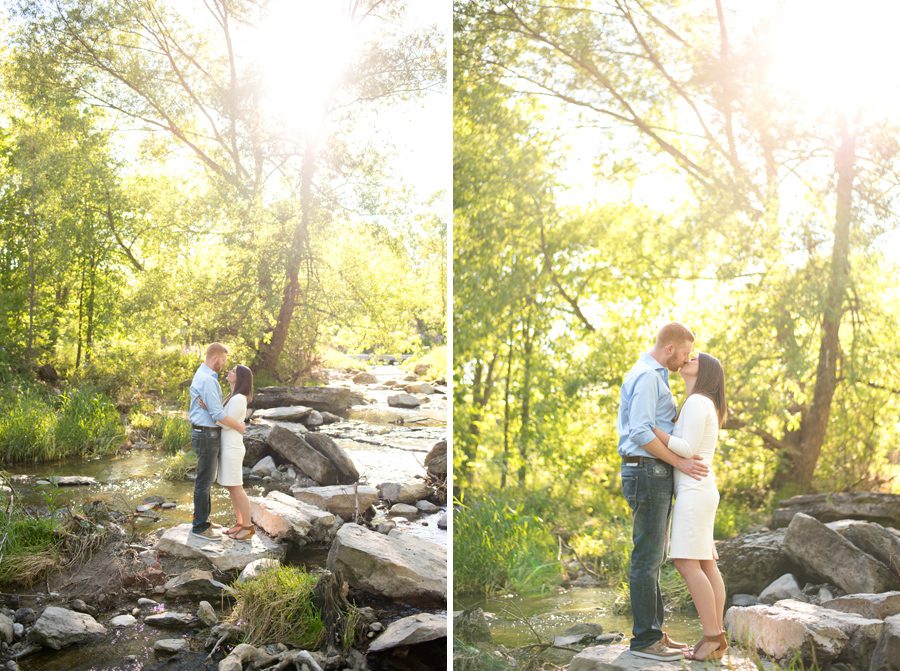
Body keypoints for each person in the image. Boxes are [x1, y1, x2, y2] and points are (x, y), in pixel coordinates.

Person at [616, 323, 708, 662]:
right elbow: (640, 431)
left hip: (651, 471)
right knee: (646, 557)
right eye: (684, 352)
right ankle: (644, 642)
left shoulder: (656, 377)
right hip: (646, 470)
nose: (686, 359)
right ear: (670, 348)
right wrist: (680, 464)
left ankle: (653, 632)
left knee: (652, 556)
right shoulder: (647, 377)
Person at [651, 352, 729, 662]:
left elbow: (685, 449)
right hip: (699, 490)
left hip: (695, 491)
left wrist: (651, 430)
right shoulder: (699, 403)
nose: (686, 358)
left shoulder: (698, 402)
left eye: (694, 357)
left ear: (706, 370)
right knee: (706, 564)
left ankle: (713, 637)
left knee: (686, 562)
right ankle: (716, 636)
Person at [188, 343, 245, 540]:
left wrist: (209, 409)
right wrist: (239, 426)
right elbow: (218, 414)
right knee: (204, 481)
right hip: (207, 434)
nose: (224, 364)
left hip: (203, 432)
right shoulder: (208, 380)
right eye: (224, 360)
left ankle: (204, 519)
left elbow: (212, 409)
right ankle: (200, 527)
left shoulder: (202, 374)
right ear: (216, 358)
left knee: (205, 479)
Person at [216, 365, 255, 541]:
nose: (229, 372)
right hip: (228, 445)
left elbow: (224, 422)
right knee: (231, 487)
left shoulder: (239, 398)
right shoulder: (231, 397)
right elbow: (224, 419)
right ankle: (240, 523)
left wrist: (214, 415)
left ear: (239, 378)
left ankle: (248, 526)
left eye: (233, 371)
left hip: (232, 447)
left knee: (237, 487)